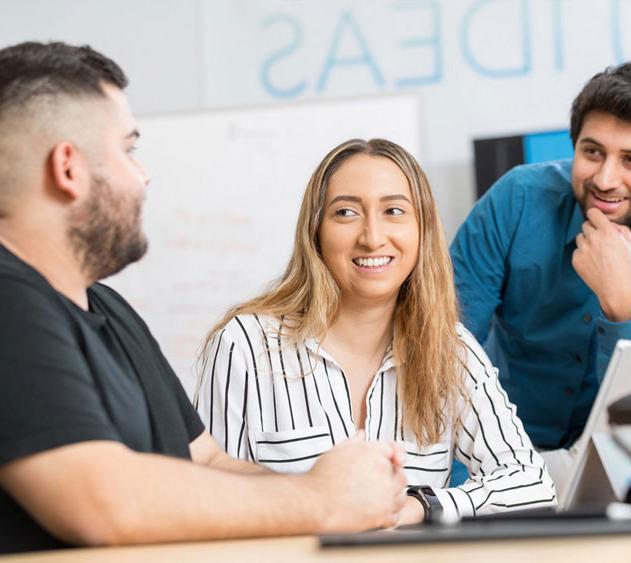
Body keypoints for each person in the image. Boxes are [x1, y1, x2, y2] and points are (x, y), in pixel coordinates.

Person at [0, 41, 407, 554]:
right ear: (69, 168)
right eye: (128, 150)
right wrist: (321, 500)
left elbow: (206, 462)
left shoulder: (109, 309)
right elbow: (100, 501)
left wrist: (350, 489)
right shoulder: (8, 304)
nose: (143, 174)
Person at [194, 138, 556, 525]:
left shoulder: (450, 350)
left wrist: (422, 506)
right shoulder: (244, 345)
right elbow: (208, 500)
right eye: (346, 212)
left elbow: (531, 484)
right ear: (315, 231)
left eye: (394, 211)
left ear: (422, 230)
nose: (372, 236)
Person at [450, 61, 631, 455]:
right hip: (500, 442)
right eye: (592, 152)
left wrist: (622, 306)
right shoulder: (516, 199)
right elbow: (447, 347)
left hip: (622, 451)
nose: (605, 179)